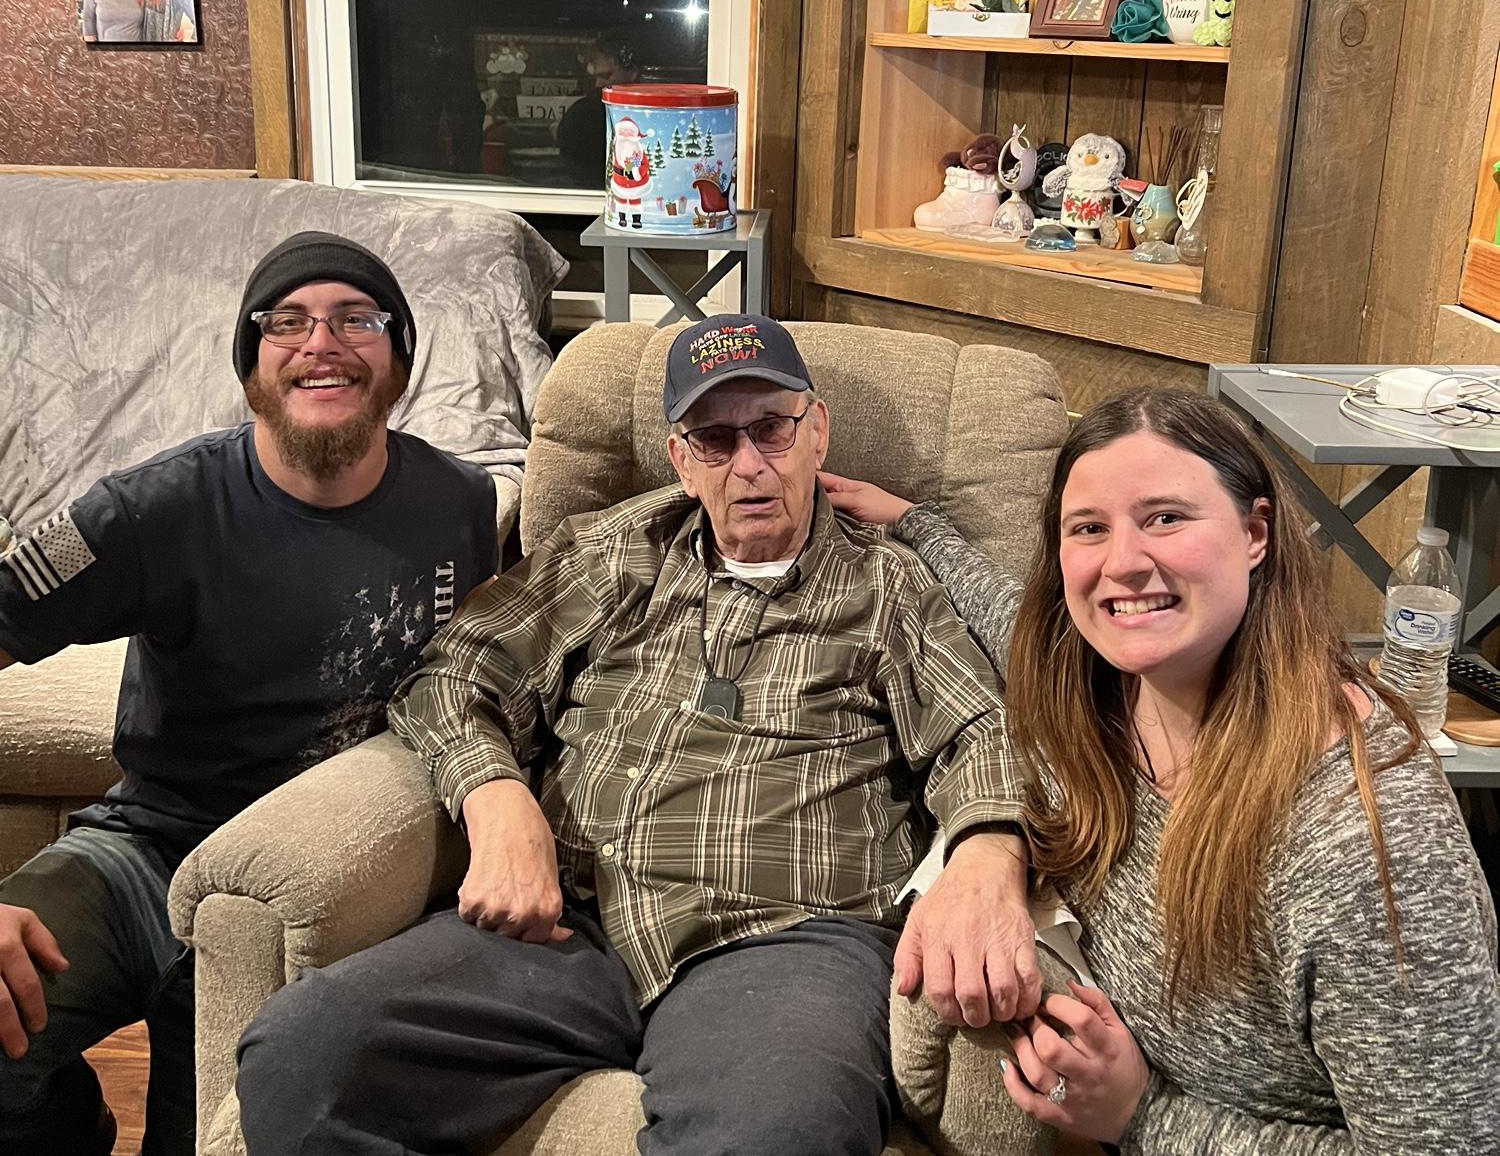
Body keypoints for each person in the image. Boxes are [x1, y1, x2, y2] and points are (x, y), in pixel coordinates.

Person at [236, 313, 1041, 1156]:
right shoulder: (616, 551)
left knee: (779, 1135)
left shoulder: (887, 584)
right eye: (715, 439)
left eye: (772, 428)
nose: (750, 464)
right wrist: (494, 797)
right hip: (568, 923)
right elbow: (458, 669)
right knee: (303, 1057)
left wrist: (987, 855)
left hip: (786, 940)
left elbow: (986, 732)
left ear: (817, 433)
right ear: (681, 461)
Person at [823, 387, 1500, 1152]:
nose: (1122, 563)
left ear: (1254, 533)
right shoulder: (1098, 681)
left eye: (1166, 518)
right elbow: (1003, 609)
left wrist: (1143, 1115)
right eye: (1089, 528)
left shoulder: (1368, 849)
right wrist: (989, 851)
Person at [0, 233, 500, 1156]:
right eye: (287, 322)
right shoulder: (146, 509)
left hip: (324, 887)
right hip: (148, 854)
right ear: (250, 365)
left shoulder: (462, 504)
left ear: (398, 362)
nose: (322, 344)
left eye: (357, 319)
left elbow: (477, 685)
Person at [555, 33, 647, 188]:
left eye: (606, 76)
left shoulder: (589, 113)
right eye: (597, 77)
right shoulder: (586, 112)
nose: (598, 83)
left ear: (633, 72)